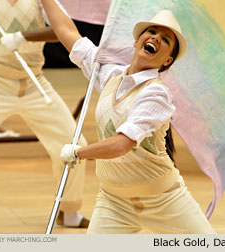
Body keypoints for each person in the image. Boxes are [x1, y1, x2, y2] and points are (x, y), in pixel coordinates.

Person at [41, 0, 215, 234]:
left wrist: (78, 152)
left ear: (167, 61)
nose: (155, 38)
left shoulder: (156, 93)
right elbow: (66, 31)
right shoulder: (106, 74)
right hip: (114, 201)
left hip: (164, 200)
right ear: (136, 42)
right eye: (152, 32)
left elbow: (122, 144)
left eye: (165, 40)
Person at [0, 0, 89, 228]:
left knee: (74, 145)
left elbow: (61, 30)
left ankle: (70, 212)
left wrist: (21, 37)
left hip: (35, 84)